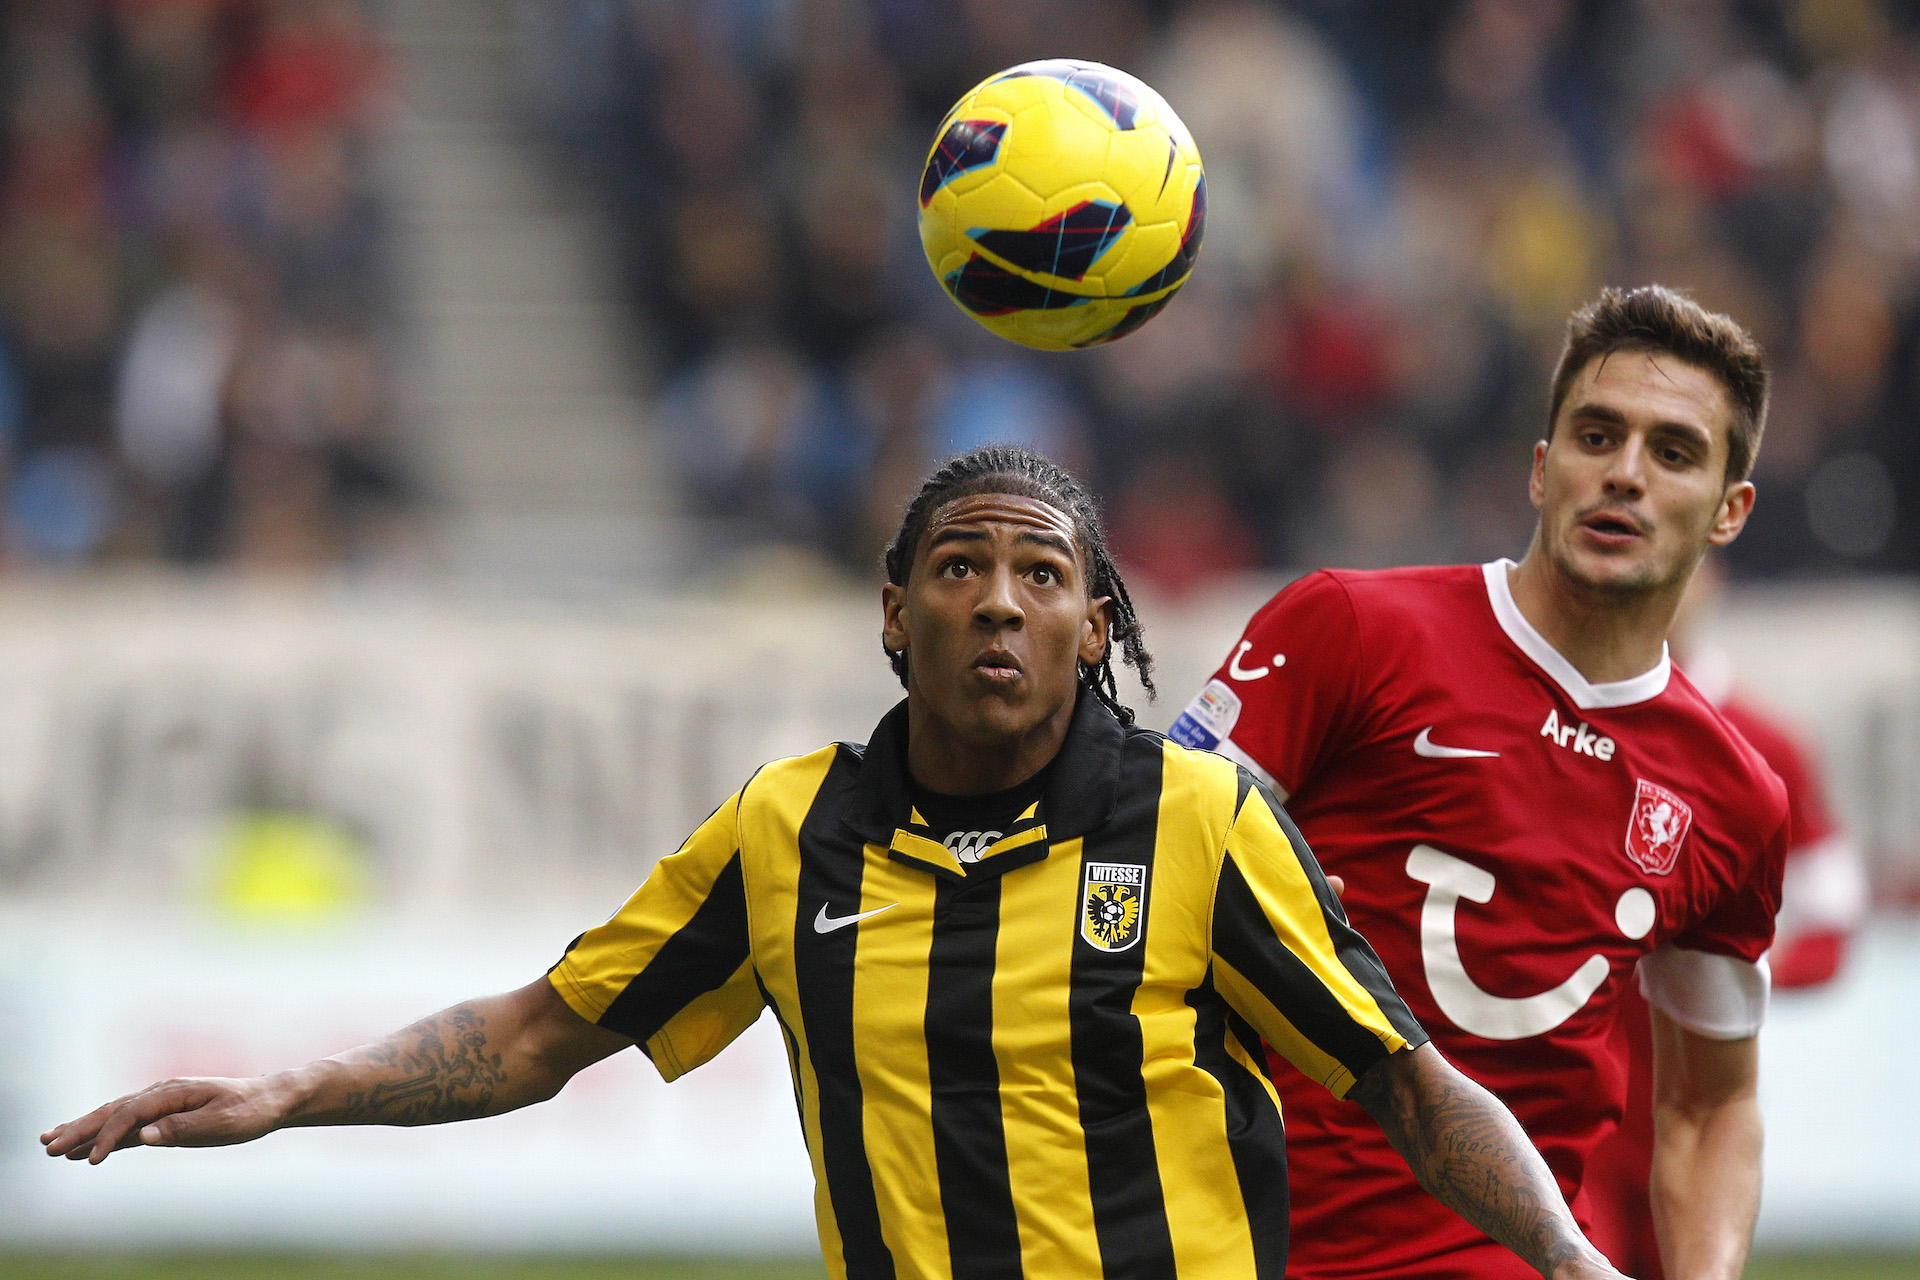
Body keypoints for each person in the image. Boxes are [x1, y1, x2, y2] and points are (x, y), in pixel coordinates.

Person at [44, 446, 1630, 1280]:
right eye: (958, 569)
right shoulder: (788, 830)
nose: (998, 602)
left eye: (1039, 575)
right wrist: (288, 1093)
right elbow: (539, 1032)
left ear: (1093, 627)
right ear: (893, 614)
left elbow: (1406, 1082)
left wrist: (1564, 1256)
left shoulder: (1200, 823)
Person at [1171, 286, 1785, 1280]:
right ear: (1543, 471)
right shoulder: (1347, 629)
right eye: (1597, 435)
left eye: (1672, 452)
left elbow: (1712, 1101)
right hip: (1237, 1240)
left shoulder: (1733, 794)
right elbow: (1143, 853)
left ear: (1728, 510)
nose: (1624, 473)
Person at [1582, 555, 1870, 1280]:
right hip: (1570, 1107)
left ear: (1712, 582)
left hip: (1696, 1102)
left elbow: (1836, 925)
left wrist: (1726, 972)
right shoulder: (1563, 731)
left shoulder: (1767, 749)